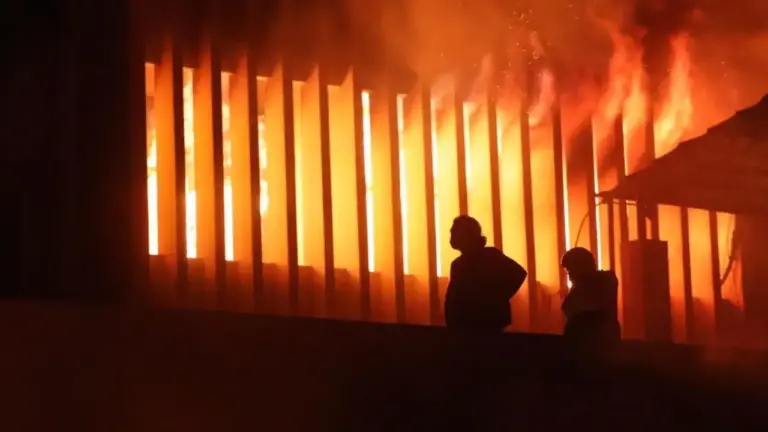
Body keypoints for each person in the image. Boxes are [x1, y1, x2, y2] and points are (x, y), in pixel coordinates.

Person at [444, 215, 527, 331]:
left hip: (485, 325)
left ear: (468, 234)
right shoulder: (457, 264)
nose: (451, 236)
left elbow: (519, 273)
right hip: (464, 326)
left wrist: (495, 299)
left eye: (455, 232)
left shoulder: (490, 256)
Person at [559, 247, 621, 348]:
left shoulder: (596, 285)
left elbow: (570, 308)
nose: (570, 277)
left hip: (593, 344)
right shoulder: (605, 281)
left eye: (570, 271)